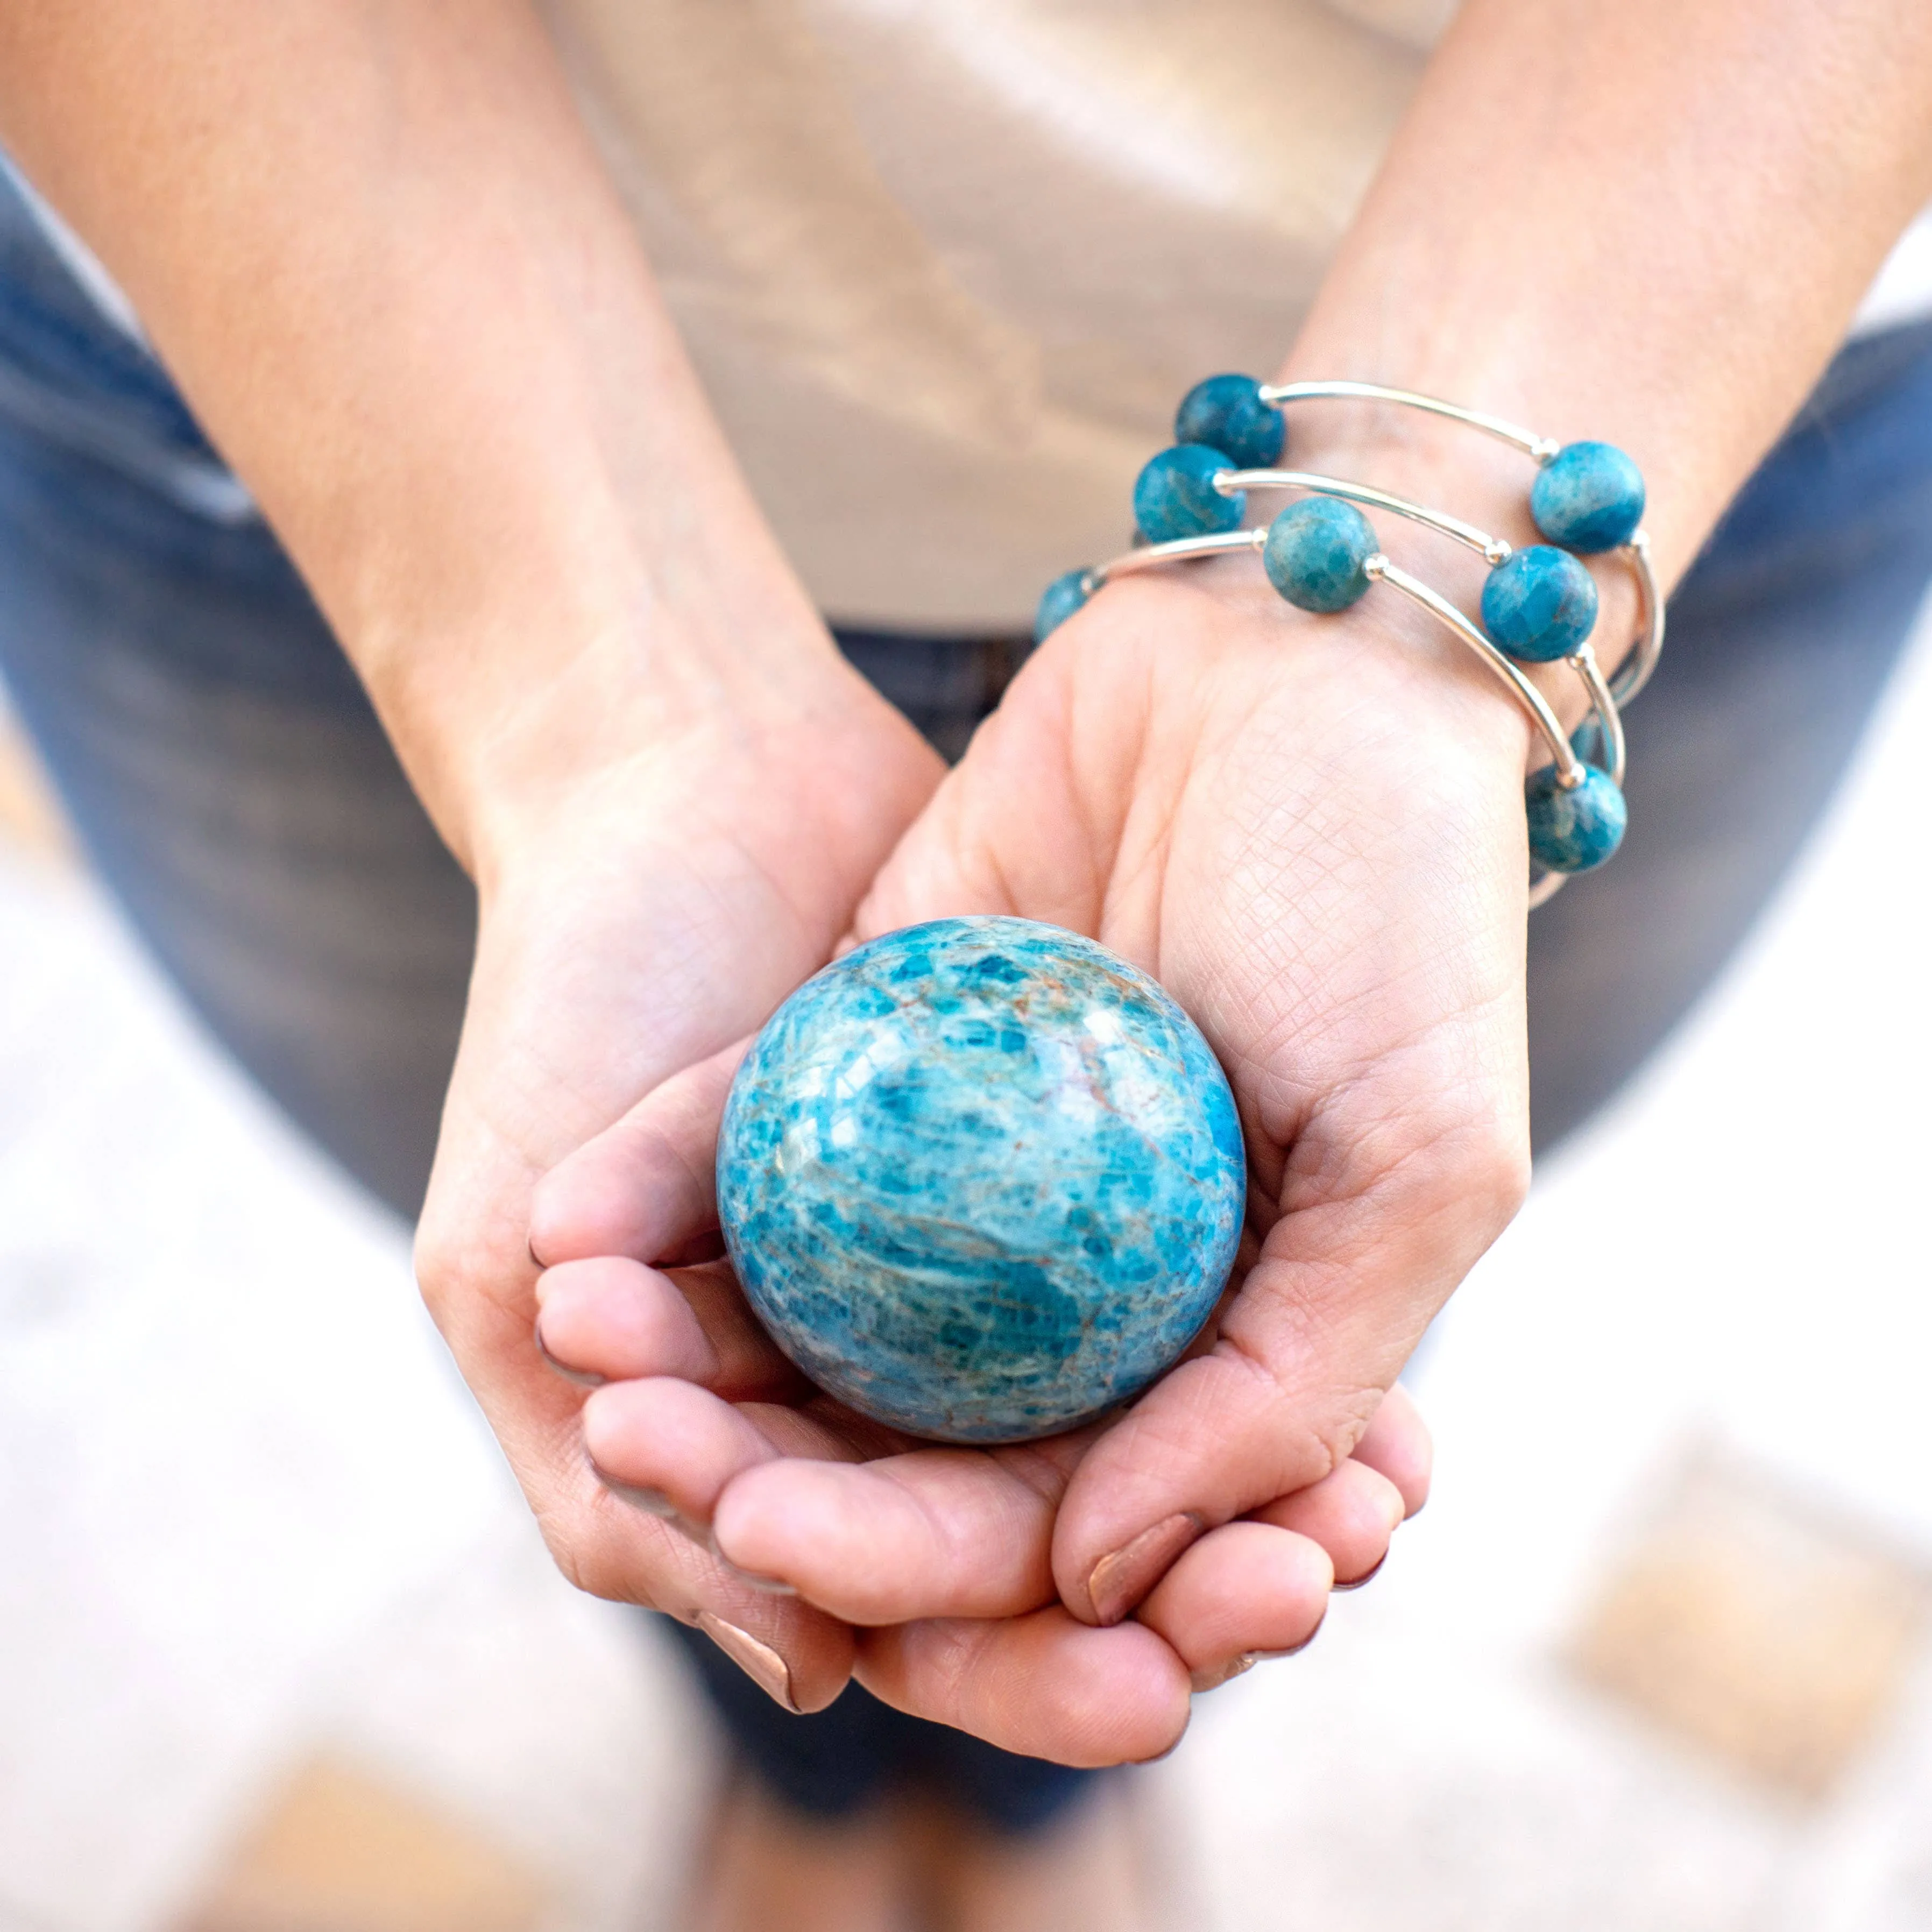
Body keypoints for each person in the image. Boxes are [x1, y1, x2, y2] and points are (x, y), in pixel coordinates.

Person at [1, 3, 1929, 1926]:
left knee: (1309, 1277)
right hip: (330, 351)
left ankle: (1021, 1815)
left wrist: (1381, 652)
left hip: (1663, 351)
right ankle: (804, 1767)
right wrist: (596, 698)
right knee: (633, 1357)